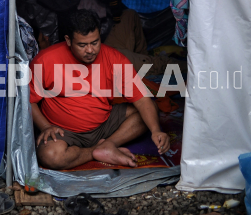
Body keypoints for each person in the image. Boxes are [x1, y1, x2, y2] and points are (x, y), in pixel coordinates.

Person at [29, 9, 170, 170]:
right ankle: (95, 151)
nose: (90, 50)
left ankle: (109, 144)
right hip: (64, 132)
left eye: (95, 42)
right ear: (68, 40)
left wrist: (156, 131)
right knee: (51, 156)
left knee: (147, 113)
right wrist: (46, 127)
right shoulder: (46, 60)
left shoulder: (115, 59)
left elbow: (142, 99)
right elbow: (28, 100)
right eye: (82, 45)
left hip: (104, 125)